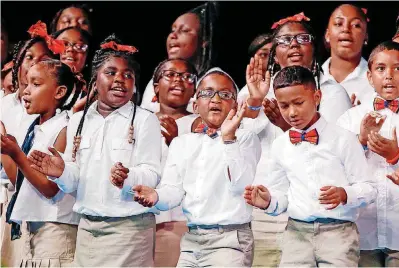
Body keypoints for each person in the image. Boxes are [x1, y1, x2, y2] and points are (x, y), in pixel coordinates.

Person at [28, 34, 161, 267]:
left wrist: (128, 177)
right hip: (88, 229)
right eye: (111, 73)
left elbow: (152, 172)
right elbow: (74, 182)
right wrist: (61, 172)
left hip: (128, 230)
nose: (120, 80)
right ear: (94, 80)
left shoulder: (144, 120)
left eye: (128, 75)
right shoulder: (79, 120)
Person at [245, 65, 376, 267]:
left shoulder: (343, 139)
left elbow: (369, 188)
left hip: (338, 233)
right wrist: (269, 201)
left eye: (299, 103)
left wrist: (344, 194)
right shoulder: (280, 145)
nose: (292, 112)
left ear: (317, 97)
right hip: (296, 233)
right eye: (284, 106)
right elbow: (281, 197)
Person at [134, 67, 261, 267]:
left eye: (225, 94)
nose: (216, 99)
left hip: (229, 240)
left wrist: (228, 139)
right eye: (207, 93)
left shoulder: (244, 138)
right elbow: (174, 190)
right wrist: (156, 196)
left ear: (236, 106)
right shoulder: (182, 143)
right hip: (192, 239)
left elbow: (241, 185)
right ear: (195, 106)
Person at [1, 59, 82, 267]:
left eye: (36, 85)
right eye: (26, 84)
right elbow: (20, 181)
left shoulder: (63, 128)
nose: (26, 91)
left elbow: (50, 188)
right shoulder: (35, 129)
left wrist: (17, 154)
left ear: (59, 92)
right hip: (34, 231)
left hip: (56, 232)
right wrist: (4, 150)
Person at [337, 41, 399, 267]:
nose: (389, 75)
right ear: (369, 77)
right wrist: (361, 142)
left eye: (397, 68)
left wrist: (396, 156)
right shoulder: (350, 118)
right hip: (363, 229)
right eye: (381, 69)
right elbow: (335, 167)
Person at [151, 58, 198, 267]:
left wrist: (175, 143)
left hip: (180, 222)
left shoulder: (200, 123)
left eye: (187, 76)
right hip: (140, 222)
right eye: (170, 75)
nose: (179, 80)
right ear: (155, 87)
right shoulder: (140, 121)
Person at [140, 1, 218, 113]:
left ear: (204, 40)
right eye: (172, 30)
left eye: (184, 30)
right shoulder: (160, 77)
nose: (173, 36)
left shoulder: (215, 80)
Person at [323, 4, 373, 105]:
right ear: (327, 35)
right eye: (338, 23)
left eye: (356, 25)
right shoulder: (313, 79)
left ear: (366, 37)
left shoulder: (376, 81)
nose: (346, 29)